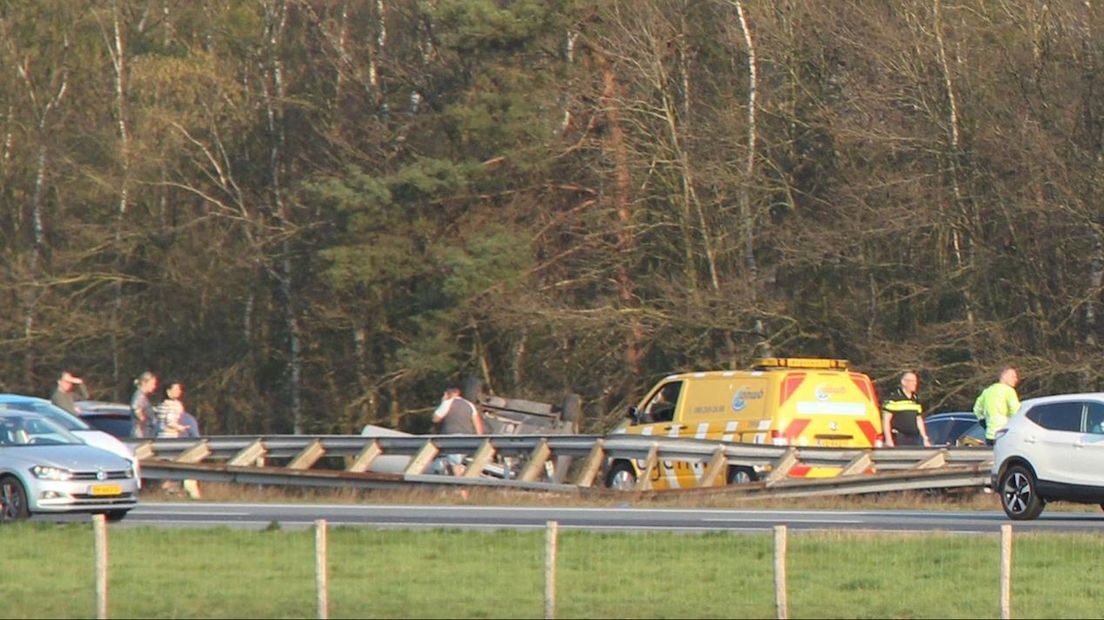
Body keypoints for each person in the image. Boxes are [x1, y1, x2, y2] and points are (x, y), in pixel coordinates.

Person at [431, 386, 485, 476]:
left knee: (454, 464)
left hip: (452, 438)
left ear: (446, 394)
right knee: (457, 462)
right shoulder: (469, 404)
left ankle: (461, 487)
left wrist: (443, 402)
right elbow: (477, 424)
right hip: (468, 439)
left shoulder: (447, 402)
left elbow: (435, 418)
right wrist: (479, 440)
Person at [973, 367, 1021, 446]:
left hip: (990, 435)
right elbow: (1016, 412)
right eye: (1013, 376)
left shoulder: (987, 391)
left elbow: (977, 409)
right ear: (1004, 377)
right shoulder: (1008, 391)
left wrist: (984, 423)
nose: (1016, 379)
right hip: (1005, 434)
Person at [881, 371, 929, 447]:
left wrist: (925, 438)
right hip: (899, 437)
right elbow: (886, 420)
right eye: (912, 381)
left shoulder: (915, 399)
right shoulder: (894, 398)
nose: (915, 383)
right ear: (904, 382)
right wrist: (888, 439)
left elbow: (918, 419)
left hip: (914, 438)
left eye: (915, 381)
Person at [130, 371, 158, 438]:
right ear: (144, 383)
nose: (154, 386)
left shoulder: (143, 397)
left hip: (146, 433)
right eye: (152, 384)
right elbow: (135, 407)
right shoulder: (139, 396)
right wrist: (142, 418)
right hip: (141, 435)